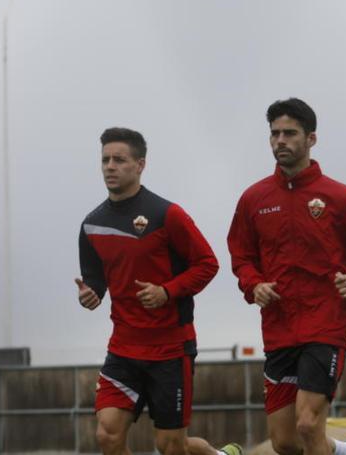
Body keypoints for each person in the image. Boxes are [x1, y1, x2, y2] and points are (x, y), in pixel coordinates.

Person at [227, 98, 346, 455]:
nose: (280, 141)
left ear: (311, 139)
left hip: (326, 324)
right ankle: (343, 451)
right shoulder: (253, 199)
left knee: (307, 423)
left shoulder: (341, 198)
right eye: (274, 134)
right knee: (285, 441)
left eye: (290, 133)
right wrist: (253, 284)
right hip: (278, 328)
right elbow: (241, 256)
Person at [77, 127, 242, 455]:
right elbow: (96, 283)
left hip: (170, 349)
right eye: (105, 160)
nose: (110, 166)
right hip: (123, 349)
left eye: (119, 160)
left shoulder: (167, 215)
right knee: (107, 437)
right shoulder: (91, 225)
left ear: (140, 165)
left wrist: (167, 292)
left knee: (171, 446)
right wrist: (90, 296)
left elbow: (207, 264)